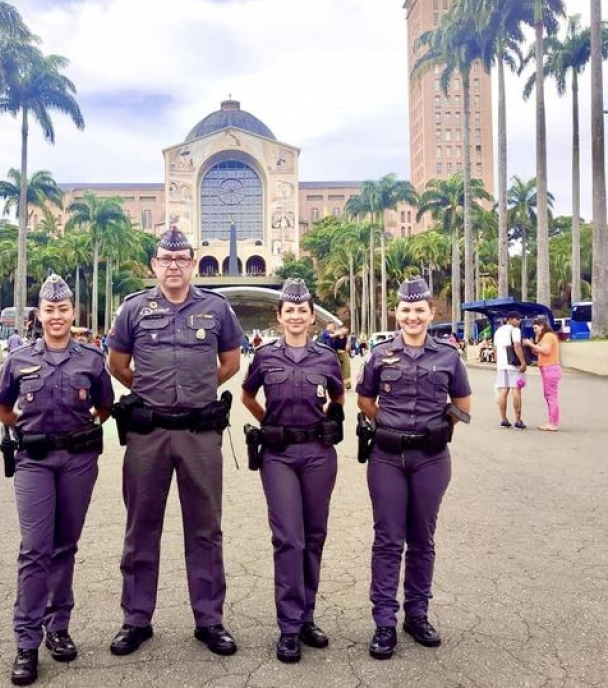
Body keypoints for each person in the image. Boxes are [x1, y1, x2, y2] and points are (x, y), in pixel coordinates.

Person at [107, 226, 245, 659]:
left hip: (199, 433)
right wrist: (150, 393)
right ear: (154, 265)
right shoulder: (133, 309)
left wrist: (199, 389)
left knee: (205, 529)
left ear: (192, 263)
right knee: (141, 526)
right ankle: (136, 619)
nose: (173, 267)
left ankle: (209, 619)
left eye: (182, 259)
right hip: (148, 434)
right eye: (166, 260)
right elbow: (118, 364)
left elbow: (230, 361)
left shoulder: (217, 308)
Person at [0, 274, 114, 686]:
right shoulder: (19, 358)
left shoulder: (91, 359)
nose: (57, 316)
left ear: (72, 313)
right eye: (50, 310)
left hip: (79, 460)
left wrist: (77, 432)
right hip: (35, 461)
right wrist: (29, 432)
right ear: (39, 315)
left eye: (63, 309)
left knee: (65, 546)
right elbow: (2, 408)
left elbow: (104, 406)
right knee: (34, 549)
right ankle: (26, 642)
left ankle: (58, 628)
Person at [356, 276, 471, 661]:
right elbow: (365, 401)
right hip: (387, 457)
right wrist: (391, 426)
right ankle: (384, 621)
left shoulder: (448, 356)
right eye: (405, 310)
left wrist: (442, 426)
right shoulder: (379, 355)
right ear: (397, 312)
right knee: (388, 539)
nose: (412, 316)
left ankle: (417, 614)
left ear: (431, 313)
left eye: (419, 310)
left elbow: (463, 404)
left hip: (431, 459)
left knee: (422, 539)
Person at [241, 278, 344, 663]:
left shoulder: (326, 358)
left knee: (314, 535)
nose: (297, 316)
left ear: (312, 317)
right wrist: (269, 423)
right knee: (289, 538)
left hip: (318, 453)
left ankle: (306, 618)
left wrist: (329, 419)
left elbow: (337, 395)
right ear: (279, 316)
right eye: (290, 310)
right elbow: (248, 394)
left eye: (303, 310)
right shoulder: (266, 356)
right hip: (280, 454)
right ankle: (287, 627)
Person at [522, 317, 562, 431]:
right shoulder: (544, 337)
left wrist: (531, 344)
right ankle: (551, 421)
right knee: (548, 395)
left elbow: (546, 350)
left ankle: (553, 423)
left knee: (551, 396)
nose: (534, 330)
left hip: (550, 368)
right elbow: (537, 351)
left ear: (542, 326)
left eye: (536, 327)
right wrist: (533, 344)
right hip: (546, 368)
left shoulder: (549, 336)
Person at [494, 312, 528, 429]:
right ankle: (518, 420)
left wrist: (498, 364)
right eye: (517, 319)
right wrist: (523, 362)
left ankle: (504, 419)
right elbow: (517, 346)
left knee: (504, 391)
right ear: (510, 319)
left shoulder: (498, 331)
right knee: (516, 390)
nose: (519, 321)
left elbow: (496, 350)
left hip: (501, 365)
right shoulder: (515, 330)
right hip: (513, 365)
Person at [331, 325, 352, 390]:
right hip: (336, 354)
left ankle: (347, 385)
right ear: (341, 329)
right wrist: (338, 333)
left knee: (346, 369)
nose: (345, 331)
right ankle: (338, 384)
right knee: (337, 369)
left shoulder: (346, 338)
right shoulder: (336, 336)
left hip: (344, 353)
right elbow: (330, 336)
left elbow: (347, 349)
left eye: (346, 331)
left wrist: (348, 341)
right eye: (344, 329)